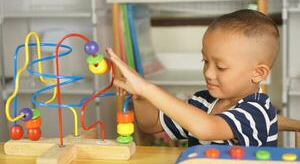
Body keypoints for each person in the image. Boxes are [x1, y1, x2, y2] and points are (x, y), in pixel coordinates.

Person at [107, 9, 279, 147]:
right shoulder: (202, 101)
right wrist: (141, 97)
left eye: (221, 67)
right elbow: (150, 125)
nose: (208, 73)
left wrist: (147, 88)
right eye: (205, 61)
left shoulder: (257, 112)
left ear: (258, 73)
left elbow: (207, 128)